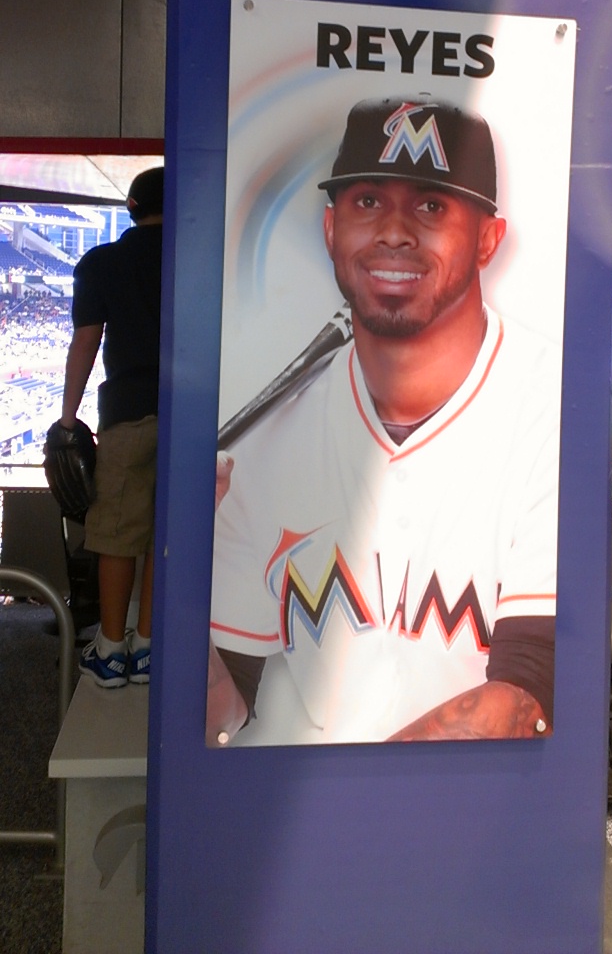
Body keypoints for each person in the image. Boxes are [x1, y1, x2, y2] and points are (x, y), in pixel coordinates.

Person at [207, 98, 559, 746]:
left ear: (488, 238)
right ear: (330, 228)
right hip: (312, 788)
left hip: (482, 800)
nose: (394, 231)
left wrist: (346, 801)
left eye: (431, 205)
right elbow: (222, 715)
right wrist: (175, 564)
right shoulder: (260, 436)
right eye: (368, 201)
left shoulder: (550, 406)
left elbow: (523, 699)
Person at [56, 166, 164, 687]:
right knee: (166, 533)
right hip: (192, 417)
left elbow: (86, 340)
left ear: (132, 209)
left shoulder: (102, 262)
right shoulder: (200, 256)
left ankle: (112, 651)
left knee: (117, 534)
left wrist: (67, 418)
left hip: (128, 413)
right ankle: (148, 647)